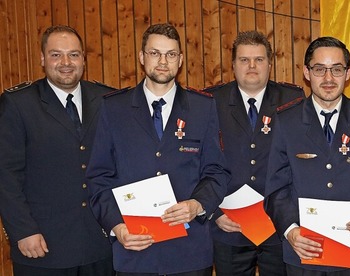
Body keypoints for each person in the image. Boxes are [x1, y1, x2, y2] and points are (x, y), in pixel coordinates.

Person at [86, 23, 230, 275]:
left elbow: (217, 171)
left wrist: (197, 204)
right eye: (155, 53)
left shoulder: (203, 108)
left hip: (189, 254)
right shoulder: (113, 108)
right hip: (134, 251)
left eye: (171, 54)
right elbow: (99, 177)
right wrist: (117, 226)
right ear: (142, 57)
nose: (163, 61)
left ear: (180, 60)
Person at [264, 36, 350, 275]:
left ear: (348, 73)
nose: (328, 78)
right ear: (306, 72)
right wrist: (290, 230)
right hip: (302, 251)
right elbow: (276, 188)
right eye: (319, 69)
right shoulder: (286, 120)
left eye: (336, 69)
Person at [0, 25, 114, 275]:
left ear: (83, 58)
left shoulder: (107, 99)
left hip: (100, 244)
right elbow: (6, 175)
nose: (66, 62)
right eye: (56, 54)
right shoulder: (18, 103)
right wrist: (23, 230)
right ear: (42, 58)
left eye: (73, 54)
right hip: (42, 246)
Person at [203, 30, 304, 276]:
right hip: (228, 226)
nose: (251, 66)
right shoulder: (209, 101)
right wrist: (213, 212)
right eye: (244, 60)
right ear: (233, 65)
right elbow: (196, 160)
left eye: (259, 59)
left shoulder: (292, 99)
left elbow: (301, 161)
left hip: (277, 228)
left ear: (270, 63)